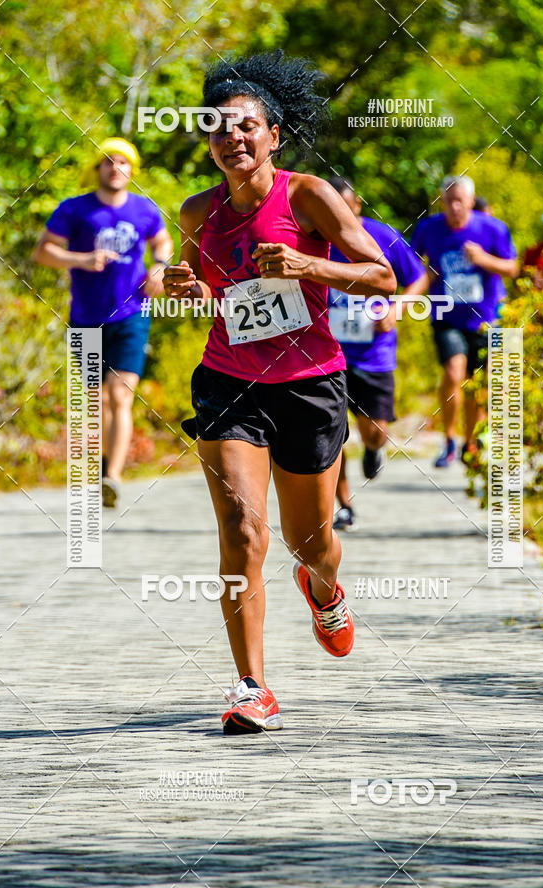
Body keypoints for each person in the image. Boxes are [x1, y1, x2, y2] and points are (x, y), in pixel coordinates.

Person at [163, 51, 396, 735]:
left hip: (310, 385)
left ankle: (323, 589)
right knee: (242, 532)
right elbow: (217, 298)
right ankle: (251, 685)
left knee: (310, 542)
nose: (232, 138)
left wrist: (305, 262)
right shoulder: (197, 210)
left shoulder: (308, 197)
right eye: (218, 129)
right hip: (230, 383)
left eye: (246, 127)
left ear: (273, 134)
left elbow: (381, 276)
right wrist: (188, 292)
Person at [32, 138, 173, 507]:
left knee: (120, 395)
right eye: (109, 162)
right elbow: (43, 252)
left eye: (123, 162)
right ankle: (102, 467)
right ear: (98, 169)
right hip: (85, 318)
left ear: (132, 170)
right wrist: (81, 260)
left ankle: (112, 477)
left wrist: (159, 268)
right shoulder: (75, 210)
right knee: (95, 401)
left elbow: (163, 242)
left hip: (132, 314)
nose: (116, 168)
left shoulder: (145, 209)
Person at [326, 177, 428, 531]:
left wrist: (396, 309)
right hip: (325, 355)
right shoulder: (312, 239)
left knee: (374, 431)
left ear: (356, 206)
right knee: (331, 434)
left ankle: (372, 449)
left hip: (374, 354)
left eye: (344, 207)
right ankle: (344, 505)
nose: (336, 214)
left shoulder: (382, 237)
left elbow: (419, 278)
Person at [411, 175, 518, 467]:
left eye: (460, 200)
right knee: (453, 373)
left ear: (471, 201)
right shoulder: (429, 229)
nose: (454, 206)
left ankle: (468, 442)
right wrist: (416, 285)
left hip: (487, 319)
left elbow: (512, 268)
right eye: (448, 201)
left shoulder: (492, 229)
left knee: (477, 386)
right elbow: (411, 267)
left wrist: (483, 259)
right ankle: (447, 440)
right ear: (441, 202)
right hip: (446, 314)